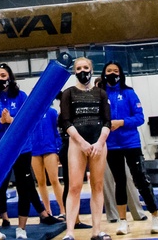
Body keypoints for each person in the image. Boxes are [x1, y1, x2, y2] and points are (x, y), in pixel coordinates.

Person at [0, 64, 61, 240]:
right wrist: (1, 122)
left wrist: (11, 120)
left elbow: (29, 120)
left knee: (24, 187)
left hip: (22, 148)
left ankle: (21, 228)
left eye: (3, 75)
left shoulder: (21, 96)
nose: (0, 78)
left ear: (10, 77)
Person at [101, 62, 158, 235]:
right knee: (119, 181)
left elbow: (140, 118)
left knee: (140, 179)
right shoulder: (102, 95)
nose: (112, 74)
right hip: (111, 145)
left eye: (116, 71)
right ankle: (122, 221)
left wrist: (122, 123)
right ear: (104, 74)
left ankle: (155, 216)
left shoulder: (129, 93)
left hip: (131, 143)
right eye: (109, 71)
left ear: (121, 74)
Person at [60, 58, 110, 240]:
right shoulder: (68, 93)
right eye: (79, 68)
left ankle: (96, 230)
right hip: (76, 143)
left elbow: (107, 121)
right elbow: (65, 121)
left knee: (97, 185)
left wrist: (99, 142)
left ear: (91, 70)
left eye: (86, 67)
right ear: (74, 72)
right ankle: (70, 232)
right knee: (74, 186)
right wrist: (81, 142)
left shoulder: (101, 93)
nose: (83, 70)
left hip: (98, 143)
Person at [29, 101, 64, 222]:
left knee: (54, 180)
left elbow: (57, 131)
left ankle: (63, 210)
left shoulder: (52, 112)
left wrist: (58, 148)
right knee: (41, 181)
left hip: (50, 148)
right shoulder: (31, 114)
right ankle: (47, 211)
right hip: (35, 149)